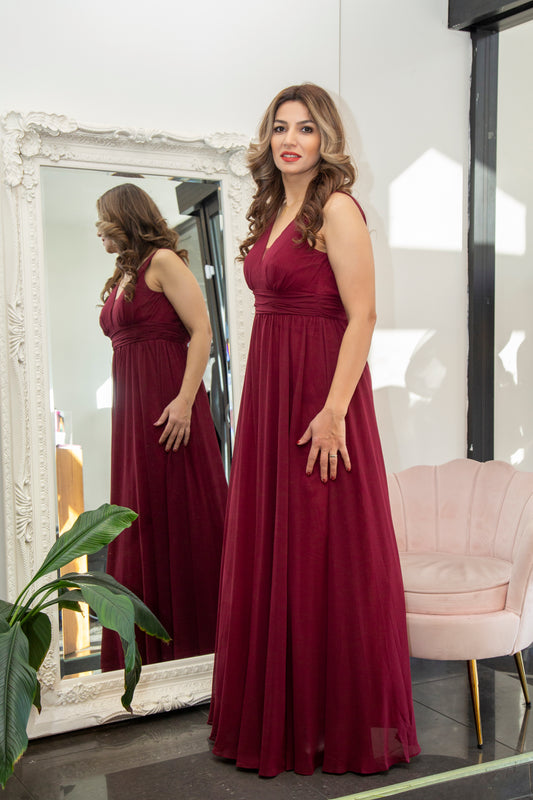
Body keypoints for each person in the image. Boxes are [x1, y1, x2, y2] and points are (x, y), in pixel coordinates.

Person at [208, 85, 420, 776]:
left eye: (304, 128)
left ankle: (335, 724)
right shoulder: (274, 208)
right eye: (279, 128)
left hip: (321, 395)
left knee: (325, 547)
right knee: (278, 544)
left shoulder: (337, 207)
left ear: (325, 138)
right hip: (271, 391)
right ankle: (286, 717)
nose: (290, 139)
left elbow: (362, 315)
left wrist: (333, 411)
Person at [97, 183, 227, 669]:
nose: (98, 230)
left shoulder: (164, 262)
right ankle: (147, 659)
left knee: (182, 518)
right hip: (132, 415)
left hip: (170, 409)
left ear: (125, 217)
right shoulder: (125, 273)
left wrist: (185, 402)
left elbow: (202, 331)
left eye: (103, 220)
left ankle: (202, 650)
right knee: (141, 520)